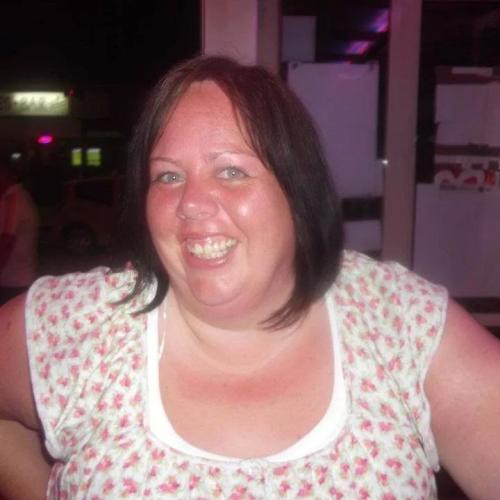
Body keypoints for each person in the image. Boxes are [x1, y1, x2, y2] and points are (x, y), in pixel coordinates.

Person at [0, 56, 499, 499]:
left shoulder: (403, 326)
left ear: (297, 190)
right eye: (168, 176)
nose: (191, 203)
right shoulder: (78, 326)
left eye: (232, 171)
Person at [0, 160, 38, 305]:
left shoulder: (14, 199)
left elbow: (6, 242)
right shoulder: (18, 196)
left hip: (12, 279)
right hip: (15, 277)